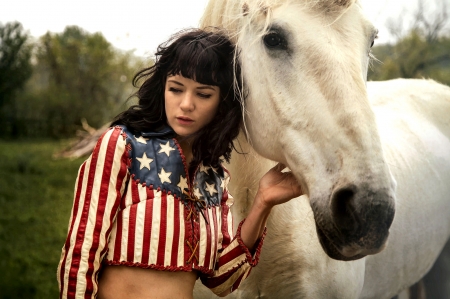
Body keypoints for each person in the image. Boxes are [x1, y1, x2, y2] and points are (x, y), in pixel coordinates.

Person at [57, 28, 302, 299]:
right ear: (163, 88)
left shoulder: (215, 178)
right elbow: (80, 255)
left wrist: (263, 202)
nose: (186, 104)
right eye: (175, 89)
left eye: (203, 94)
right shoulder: (122, 144)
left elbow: (222, 280)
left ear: (222, 103)